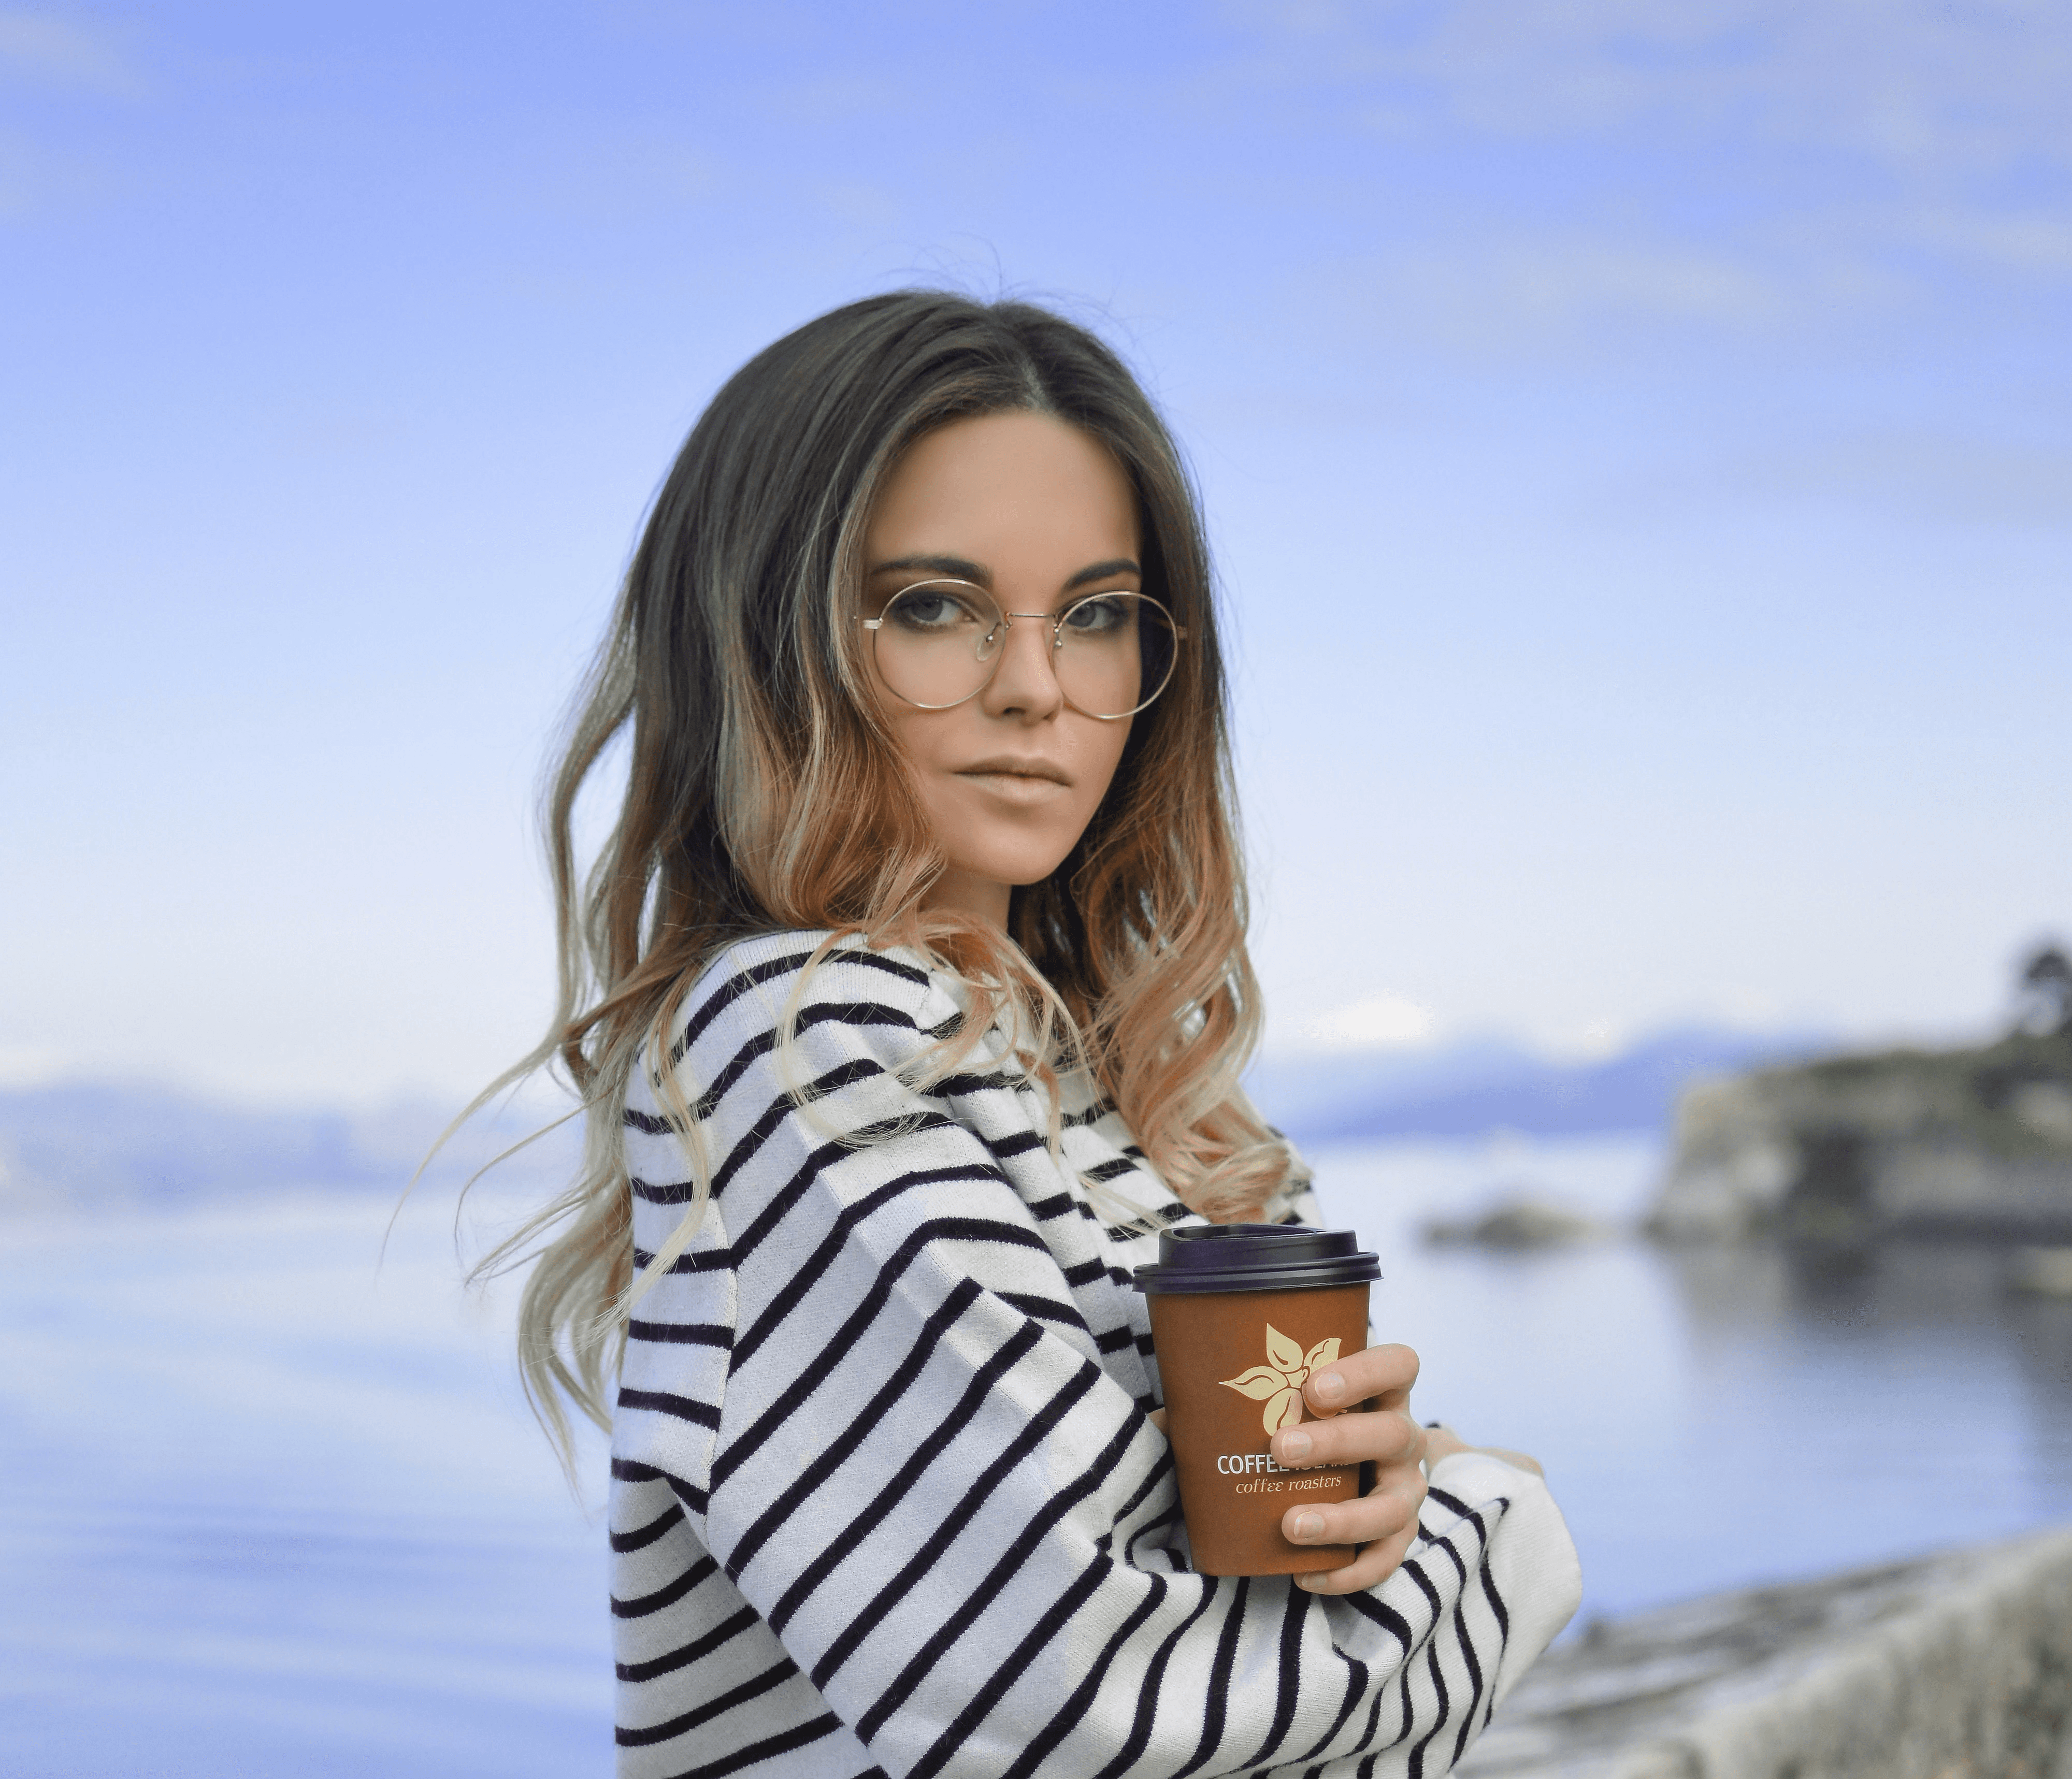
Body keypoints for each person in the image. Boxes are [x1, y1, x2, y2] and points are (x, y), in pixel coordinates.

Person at [479, 291, 1581, 1776]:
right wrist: (1501, 1526)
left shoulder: (1135, 1089)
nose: (1035, 685)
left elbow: (1249, 1631)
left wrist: (1376, 1505)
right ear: (765, 643)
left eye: (1099, 615)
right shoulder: (803, 1047)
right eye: (931, 605)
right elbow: (1086, 1710)